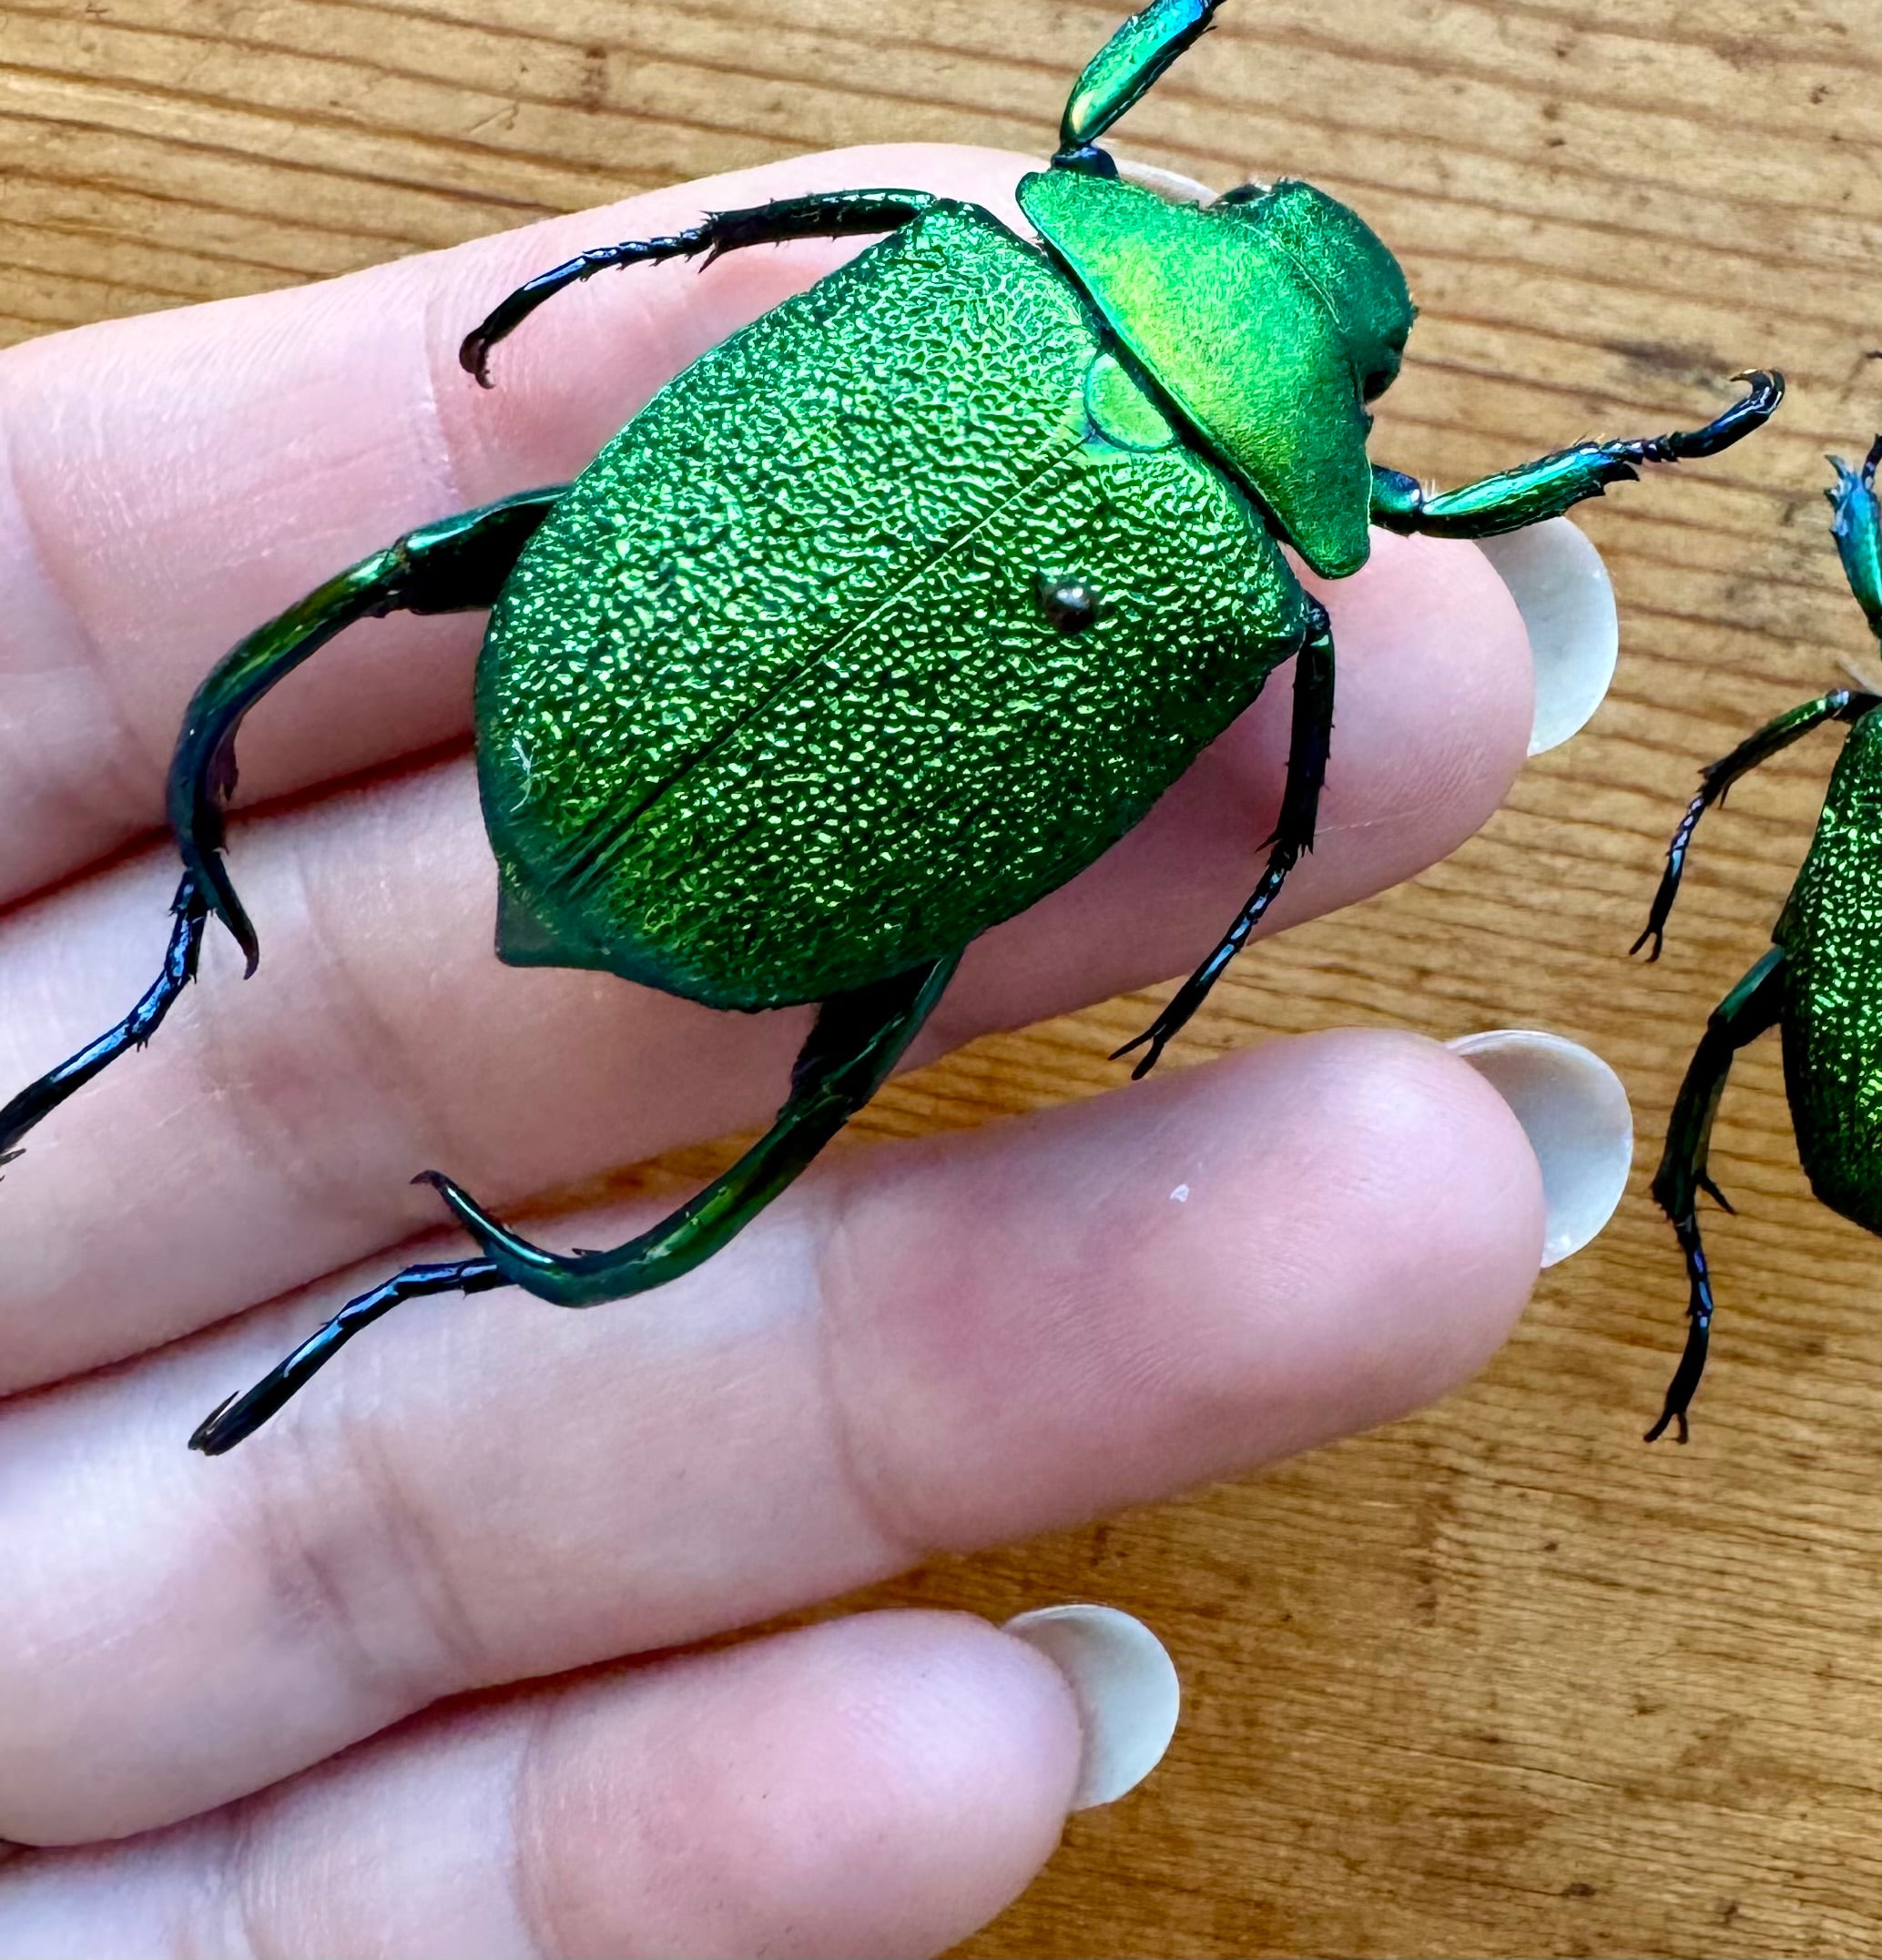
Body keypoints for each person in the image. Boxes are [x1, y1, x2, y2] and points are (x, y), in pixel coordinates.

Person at [0, 146, 1630, 1956]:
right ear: (1354, 417)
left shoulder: (971, 258)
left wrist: (668, 243)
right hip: (726, 832)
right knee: (839, 1068)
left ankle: (188, 944)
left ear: (1207, 207)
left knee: (393, 577)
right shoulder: (1256, 599)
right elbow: (1374, 629)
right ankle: (468, 1238)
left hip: (612, 686)